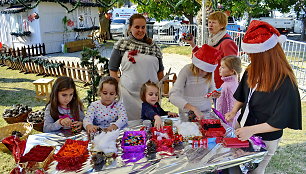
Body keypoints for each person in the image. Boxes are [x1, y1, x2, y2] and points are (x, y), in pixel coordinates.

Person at [225, 20, 302, 174]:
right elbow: (243, 96)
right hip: (243, 128)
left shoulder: (284, 82)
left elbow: (281, 120)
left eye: (254, 56)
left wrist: (251, 130)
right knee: (235, 168)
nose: (250, 59)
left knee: (255, 171)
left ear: (265, 55)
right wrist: (234, 112)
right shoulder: (251, 70)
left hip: (265, 138)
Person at [109, 14, 164, 120]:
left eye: (143, 27)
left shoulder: (154, 47)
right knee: (131, 128)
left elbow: (160, 72)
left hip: (150, 97)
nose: (140, 30)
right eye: (137, 27)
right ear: (130, 27)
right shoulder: (122, 44)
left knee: (151, 124)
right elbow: (112, 69)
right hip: (128, 96)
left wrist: (158, 90)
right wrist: (119, 88)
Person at [183, 11, 238, 88]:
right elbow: (204, 58)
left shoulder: (227, 43)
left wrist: (226, 87)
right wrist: (192, 43)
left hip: (221, 87)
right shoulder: (212, 39)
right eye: (209, 22)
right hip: (211, 83)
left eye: (214, 22)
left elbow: (233, 67)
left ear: (222, 25)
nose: (210, 25)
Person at [169, 44, 221, 121]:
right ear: (196, 65)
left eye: (207, 71)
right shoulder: (186, 71)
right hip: (187, 114)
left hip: (205, 113)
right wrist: (193, 108)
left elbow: (211, 87)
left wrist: (214, 93)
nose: (204, 73)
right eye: (202, 70)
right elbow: (173, 96)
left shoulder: (210, 72)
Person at [216, 56, 242, 127]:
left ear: (232, 71)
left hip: (226, 121)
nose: (219, 68)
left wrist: (225, 122)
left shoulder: (229, 86)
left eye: (223, 67)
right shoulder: (230, 82)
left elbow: (231, 105)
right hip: (225, 119)